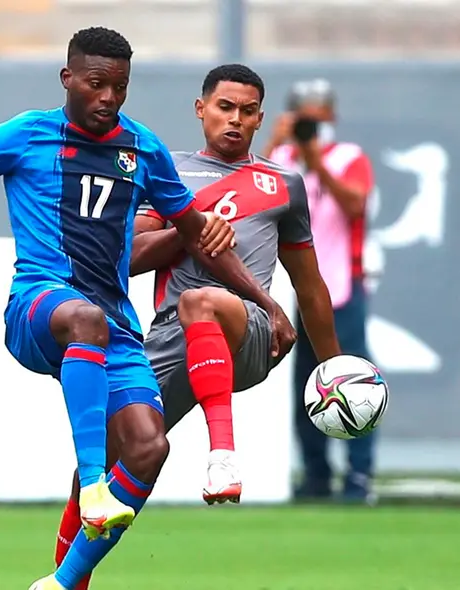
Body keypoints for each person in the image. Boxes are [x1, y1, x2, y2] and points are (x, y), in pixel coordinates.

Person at [0, 26, 294, 581]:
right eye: (96, 84)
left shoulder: (143, 148)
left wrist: (268, 302)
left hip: (115, 326)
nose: (108, 98)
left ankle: (61, 582)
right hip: (39, 309)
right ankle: (92, 486)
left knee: (147, 447)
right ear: (68, 79)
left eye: (120, 87)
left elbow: (198, 235)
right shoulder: (25, 135)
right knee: (84, 320)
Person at [49, 63, 343, 590]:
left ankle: (223, 457)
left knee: (204, 299)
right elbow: (131, 256)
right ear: (200, 109)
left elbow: (311, 284)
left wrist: (334, 367)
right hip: (166, 341)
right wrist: (190, 227)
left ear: (260, 120)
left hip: (247, 329)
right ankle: (65, 583)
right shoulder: (164, 171)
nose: (234, 120)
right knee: (99, 475)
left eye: (247, 111)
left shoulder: (283, 185)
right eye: (224, 107)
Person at [265, 79, 377, 502]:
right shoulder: (280, 159)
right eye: (304, 116)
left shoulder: (349, 158)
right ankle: (316, 476)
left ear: (332, 116)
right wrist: (277, 144)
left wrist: (318, 162)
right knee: (306, 386)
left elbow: (355, 205)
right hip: (288, 291)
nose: (313, 124)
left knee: (353, 380)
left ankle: (359, 476)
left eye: (319, 115)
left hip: (339, 285)